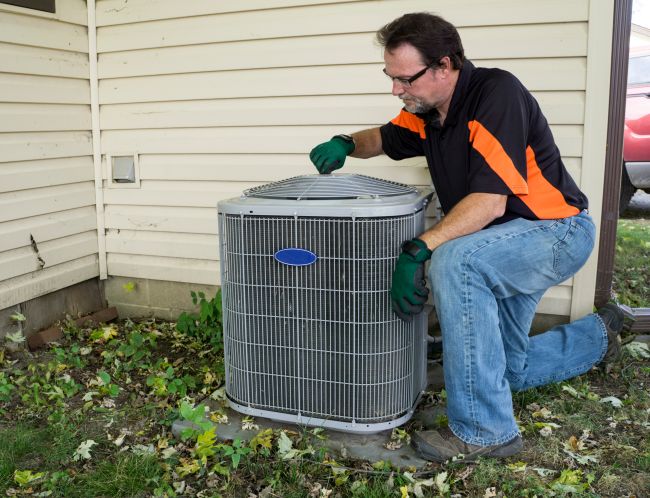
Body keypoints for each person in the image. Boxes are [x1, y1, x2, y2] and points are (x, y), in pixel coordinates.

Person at [308, 12, 625, 463]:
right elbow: (382, 137)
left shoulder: (496, 95)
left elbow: (490, 202)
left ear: (443, 66)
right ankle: (598, 336)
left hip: (554, 232)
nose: (396, 89)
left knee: (456, 261)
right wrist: (345, 142)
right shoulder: (430, 111)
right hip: (502, 242)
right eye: (390, 77)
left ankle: (486, 430)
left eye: (405, 79)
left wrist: (419, 249)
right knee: (507, 369)